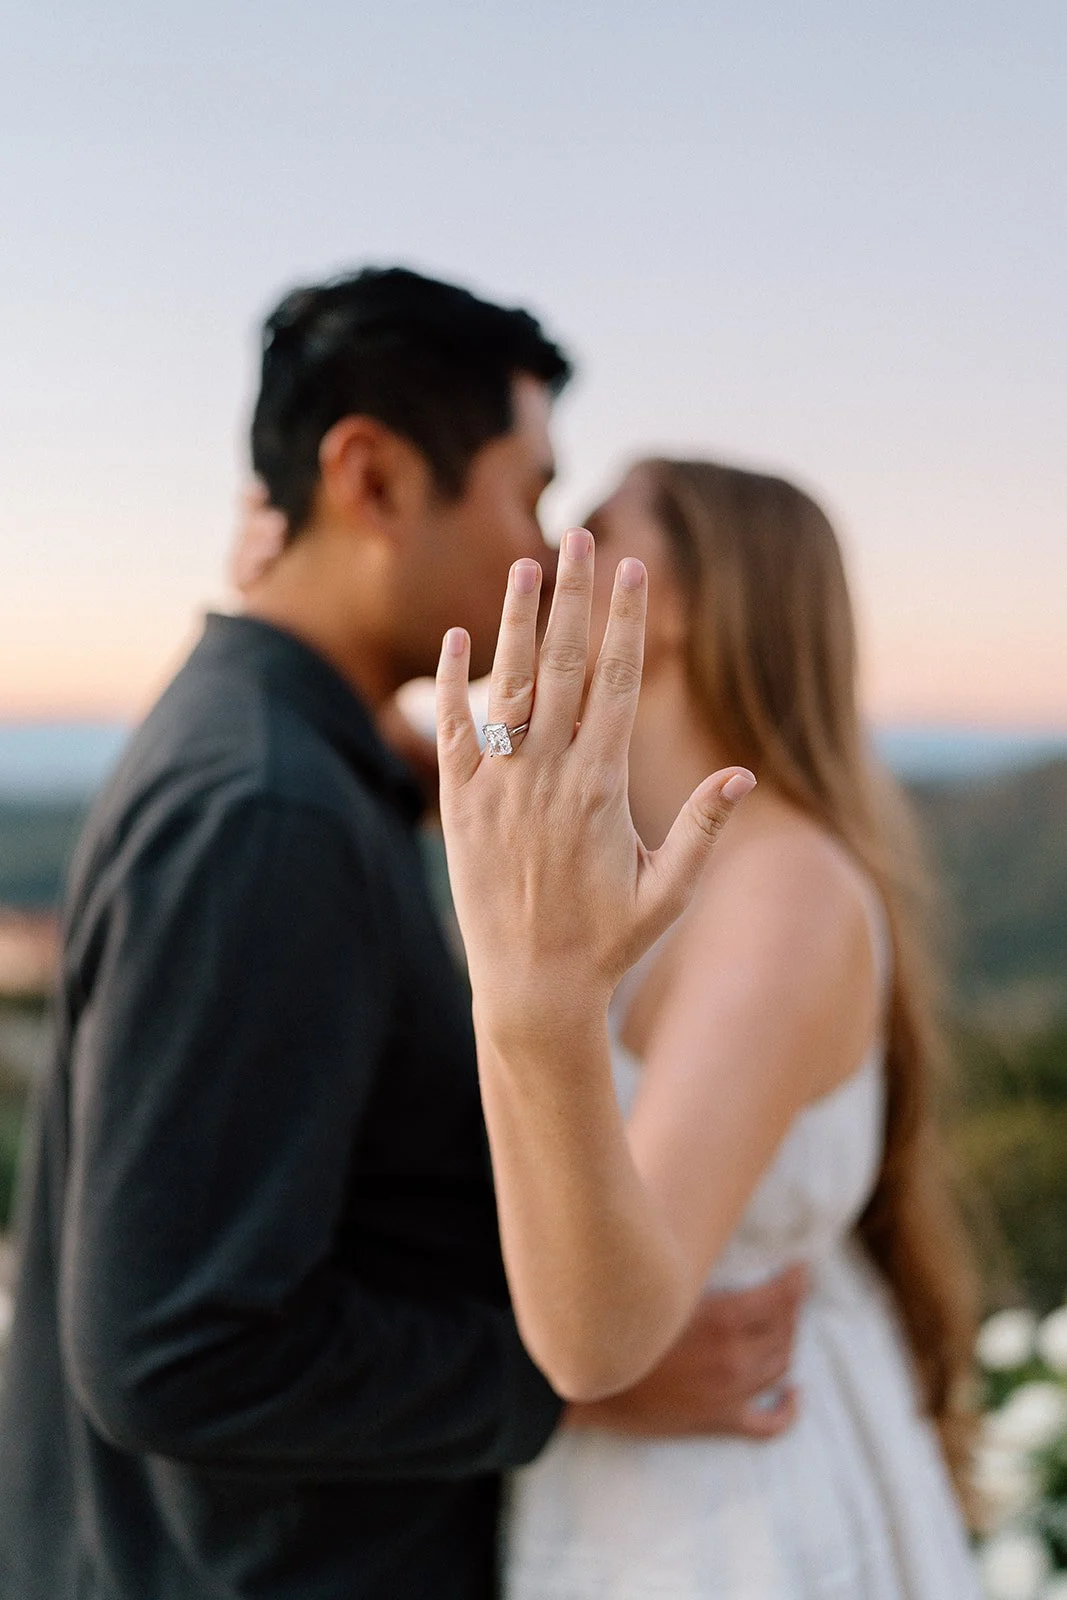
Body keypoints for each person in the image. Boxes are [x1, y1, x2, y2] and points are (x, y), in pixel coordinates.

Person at [0, 272, 805, 1600]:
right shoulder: (267, 811)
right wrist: (570, 1385)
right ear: (369, 479)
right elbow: (172, 1351)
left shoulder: (289, 756)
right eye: (526, 492)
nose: (544, 552)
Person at [435, 460, 982, 1596]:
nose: (536, 558)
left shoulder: (779, 895)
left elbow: (598, 1341)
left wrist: (528, 993)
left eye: (583, 531)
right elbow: (434, 714)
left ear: (670, 604)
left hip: (728, 1513)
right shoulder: (623, 857)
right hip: (635, 1492)